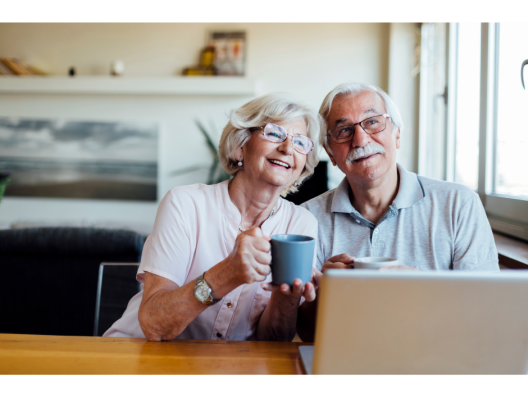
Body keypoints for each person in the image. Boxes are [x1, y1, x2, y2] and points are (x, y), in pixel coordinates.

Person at [104, 93, 322, 342]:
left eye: (300, 142)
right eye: (274, 133)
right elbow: (155, 325)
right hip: (138, 354)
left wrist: (288, 296)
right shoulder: (184, 204)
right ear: (241, 147)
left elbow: (272, 341)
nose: (286, 149)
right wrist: (225, 275)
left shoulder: (302, 224)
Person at [297, 83, 499, 341]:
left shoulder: (459, 204)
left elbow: (487, 314)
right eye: (344, 130)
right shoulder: (307, 218)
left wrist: (420, 287)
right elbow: (305, 333)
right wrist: (325, 295)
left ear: (398, 135)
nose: (360, 140)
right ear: (330, 153)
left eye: (372, 122)